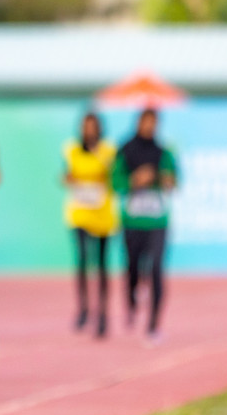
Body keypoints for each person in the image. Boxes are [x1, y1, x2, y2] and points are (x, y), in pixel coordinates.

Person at [112, 108, 178, 342]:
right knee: (132, 268)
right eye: (145, 122)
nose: (149, 126)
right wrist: (134, 180)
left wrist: (164, 179)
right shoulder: (125, 150)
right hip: (132, 219)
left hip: (158, 220)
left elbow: (175, 181)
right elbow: (115, 182)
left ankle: (153, 325)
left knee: (157, 269)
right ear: (138, 123)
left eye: (153, 122)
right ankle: (131, 300)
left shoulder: (164, 152)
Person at [65, 111, 119, 336]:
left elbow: (114, 177)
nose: (89, 131)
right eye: (86, 126)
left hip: (103, 213)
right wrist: (69, 179)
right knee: (83, 261)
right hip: (80, 213)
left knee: (102, 266)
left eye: (93, 126)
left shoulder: (108, 151)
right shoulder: (72, 149)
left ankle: (103, 314)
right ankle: (84, 307)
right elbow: (68, 174)